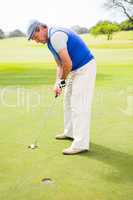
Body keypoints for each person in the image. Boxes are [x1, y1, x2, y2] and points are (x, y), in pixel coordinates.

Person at [27, 20, 96, 155]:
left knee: (79, 105)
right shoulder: (49, 43)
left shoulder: (56, 36)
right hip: (74, 70)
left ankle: (80, 144)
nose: (36, 41)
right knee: (67, 101)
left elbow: (67, 63)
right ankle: (70, 132)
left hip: (85, 68)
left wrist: (62, 83)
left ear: (41, 28)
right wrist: (57, 83)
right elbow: (59, 65)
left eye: (35, 37)